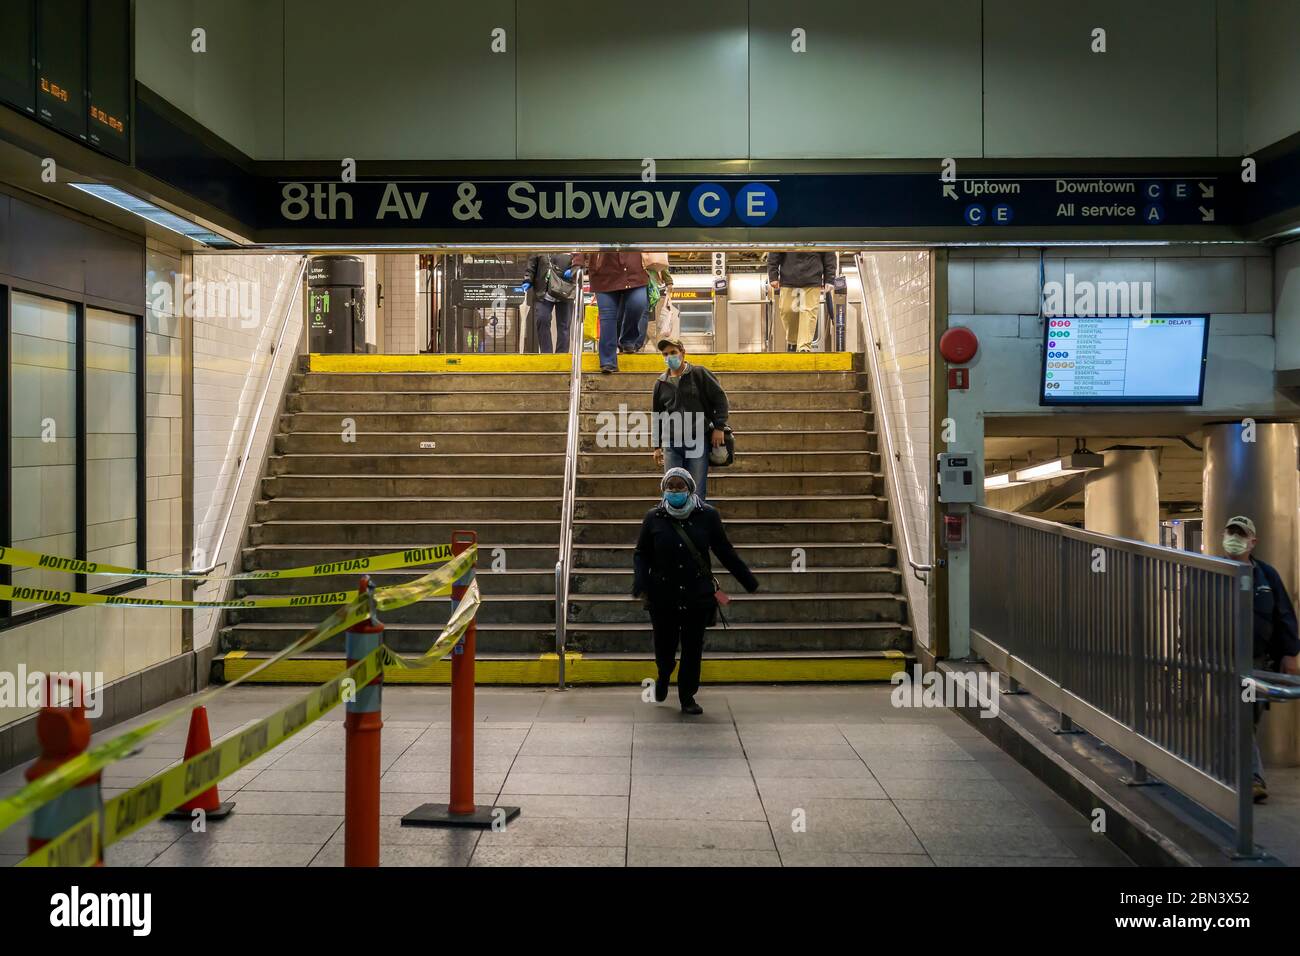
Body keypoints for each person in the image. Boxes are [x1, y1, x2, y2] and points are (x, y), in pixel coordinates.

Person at [633, 467, 759, 715]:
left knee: (692, 649)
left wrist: (748, 580)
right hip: (663, 596)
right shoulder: (654, 517)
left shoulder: (708, 516)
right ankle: (663, 675)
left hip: (697, 595)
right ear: (663, 490)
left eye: (680, 488)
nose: (675, 492)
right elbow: (642, 553)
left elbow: (724, 551)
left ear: (690, 489)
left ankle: (687, 696)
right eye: (671, 488)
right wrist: (640, 582)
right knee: (665, 647)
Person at [1222, 515, 1300, 802]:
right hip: (1223, 659)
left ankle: (1233, 772)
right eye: (1230, 533)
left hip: (1256, 661)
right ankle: (1251, 778)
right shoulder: (1212, 570)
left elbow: (1284, 616)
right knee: (1237, 716)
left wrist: (1290, 653)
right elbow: (1191, 613)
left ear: (1252, 541)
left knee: (1247, 718)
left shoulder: (1266, 575)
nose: (1234, 539)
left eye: (1240, 535)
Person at [651, 337, 728, 501]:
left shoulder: (699, 374)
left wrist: (719, 427)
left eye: (673, 352)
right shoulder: (660, 383)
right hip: (672, 444)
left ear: (683, 353)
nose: (669, 357)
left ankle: (696, 525)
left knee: (696, 491)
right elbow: (657, 414)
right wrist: (656, 446)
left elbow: (720, 398)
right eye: (665, 354)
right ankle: (673, 525)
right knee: (672, 491)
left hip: (698, 440)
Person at [570, 252, 649, 372]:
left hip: (634, 271)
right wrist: (577, 261)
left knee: (638, 304)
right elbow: (583, 235)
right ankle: (608, 361)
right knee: (607, 317)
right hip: (603, 273)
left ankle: (627, 339)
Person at [767, 251, 838, 352]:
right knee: (787, 311)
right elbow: (775, 250)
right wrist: (773, 275)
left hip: (813, 278)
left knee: (809, 312)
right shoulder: (784, 234)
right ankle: (793, 341)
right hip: (788, 278)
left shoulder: (822, 234)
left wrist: (830, 278)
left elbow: (829, 252)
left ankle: (804, 347)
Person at [521, 253, 575, 353]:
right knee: (542, 320)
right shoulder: (541, 246)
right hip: (543, 291)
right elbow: (532, 263)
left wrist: (573, 270)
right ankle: (546, 354)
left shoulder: (571, 245)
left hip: (565, 291)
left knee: (564, 325)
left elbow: (582, 263)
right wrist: (527, 279)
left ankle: (561, 355)